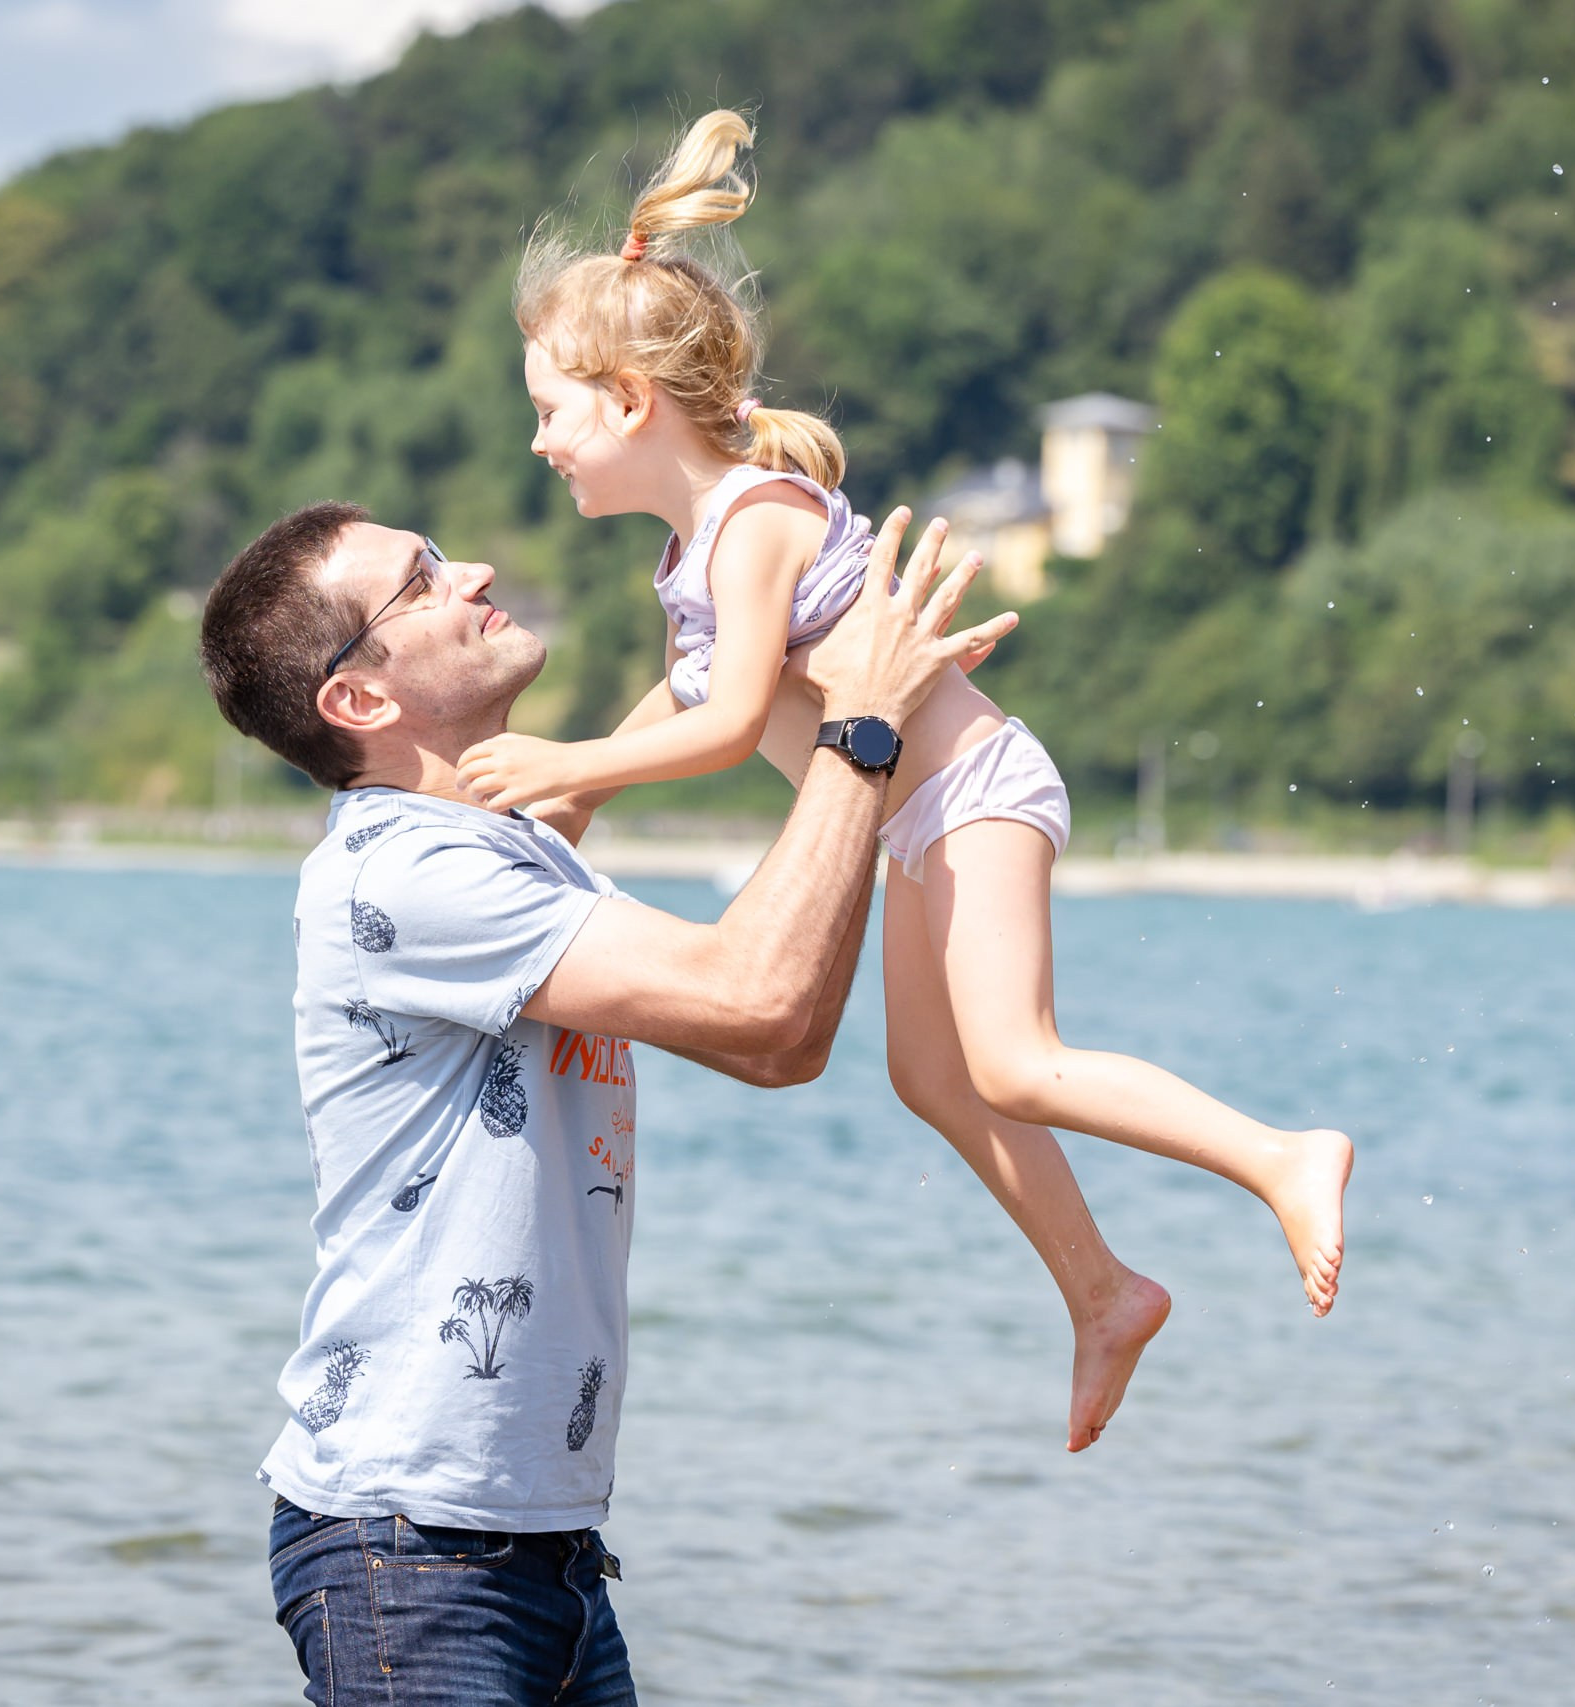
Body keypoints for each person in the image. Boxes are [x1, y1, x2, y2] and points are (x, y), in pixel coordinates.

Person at [453, 110, 1353, 1454]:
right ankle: (1104, 1290)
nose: (538, 443)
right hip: (917, 821)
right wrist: (581, 796)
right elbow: (685, 694)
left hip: (978, 786)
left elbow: (737, 719)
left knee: (1013, 1056)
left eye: (548, 413)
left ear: (629, 403)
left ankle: (1283, 1154)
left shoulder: (756, 521)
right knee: (933, 1077)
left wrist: (569, 760)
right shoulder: (692, 551)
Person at [199, 497, 1009, 1706]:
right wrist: (862, 726)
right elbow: (761, 1002)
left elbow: (779, 1045)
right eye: (419, 581)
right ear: (357, 699)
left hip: (539, 1549)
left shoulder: (505, 850)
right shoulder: (407, 873)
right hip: (412, 1550)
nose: (469, 569)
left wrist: (775, 632)